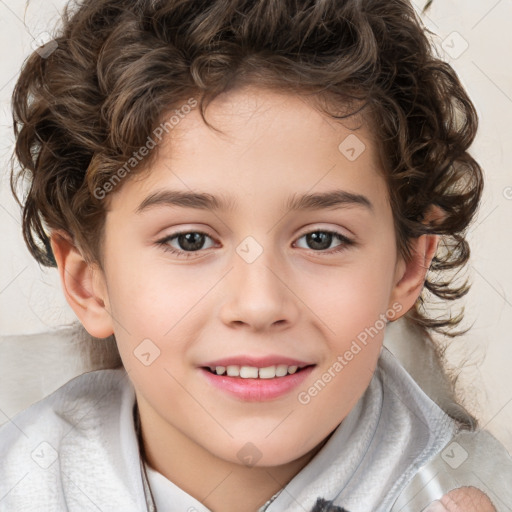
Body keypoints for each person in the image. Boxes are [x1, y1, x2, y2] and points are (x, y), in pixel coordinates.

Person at [1, 0, 511, 511]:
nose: (260, 303)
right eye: (190, 240)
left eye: (320, 239)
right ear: (89, 281)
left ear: (406, 268)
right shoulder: (22, 476)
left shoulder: (464, 493)